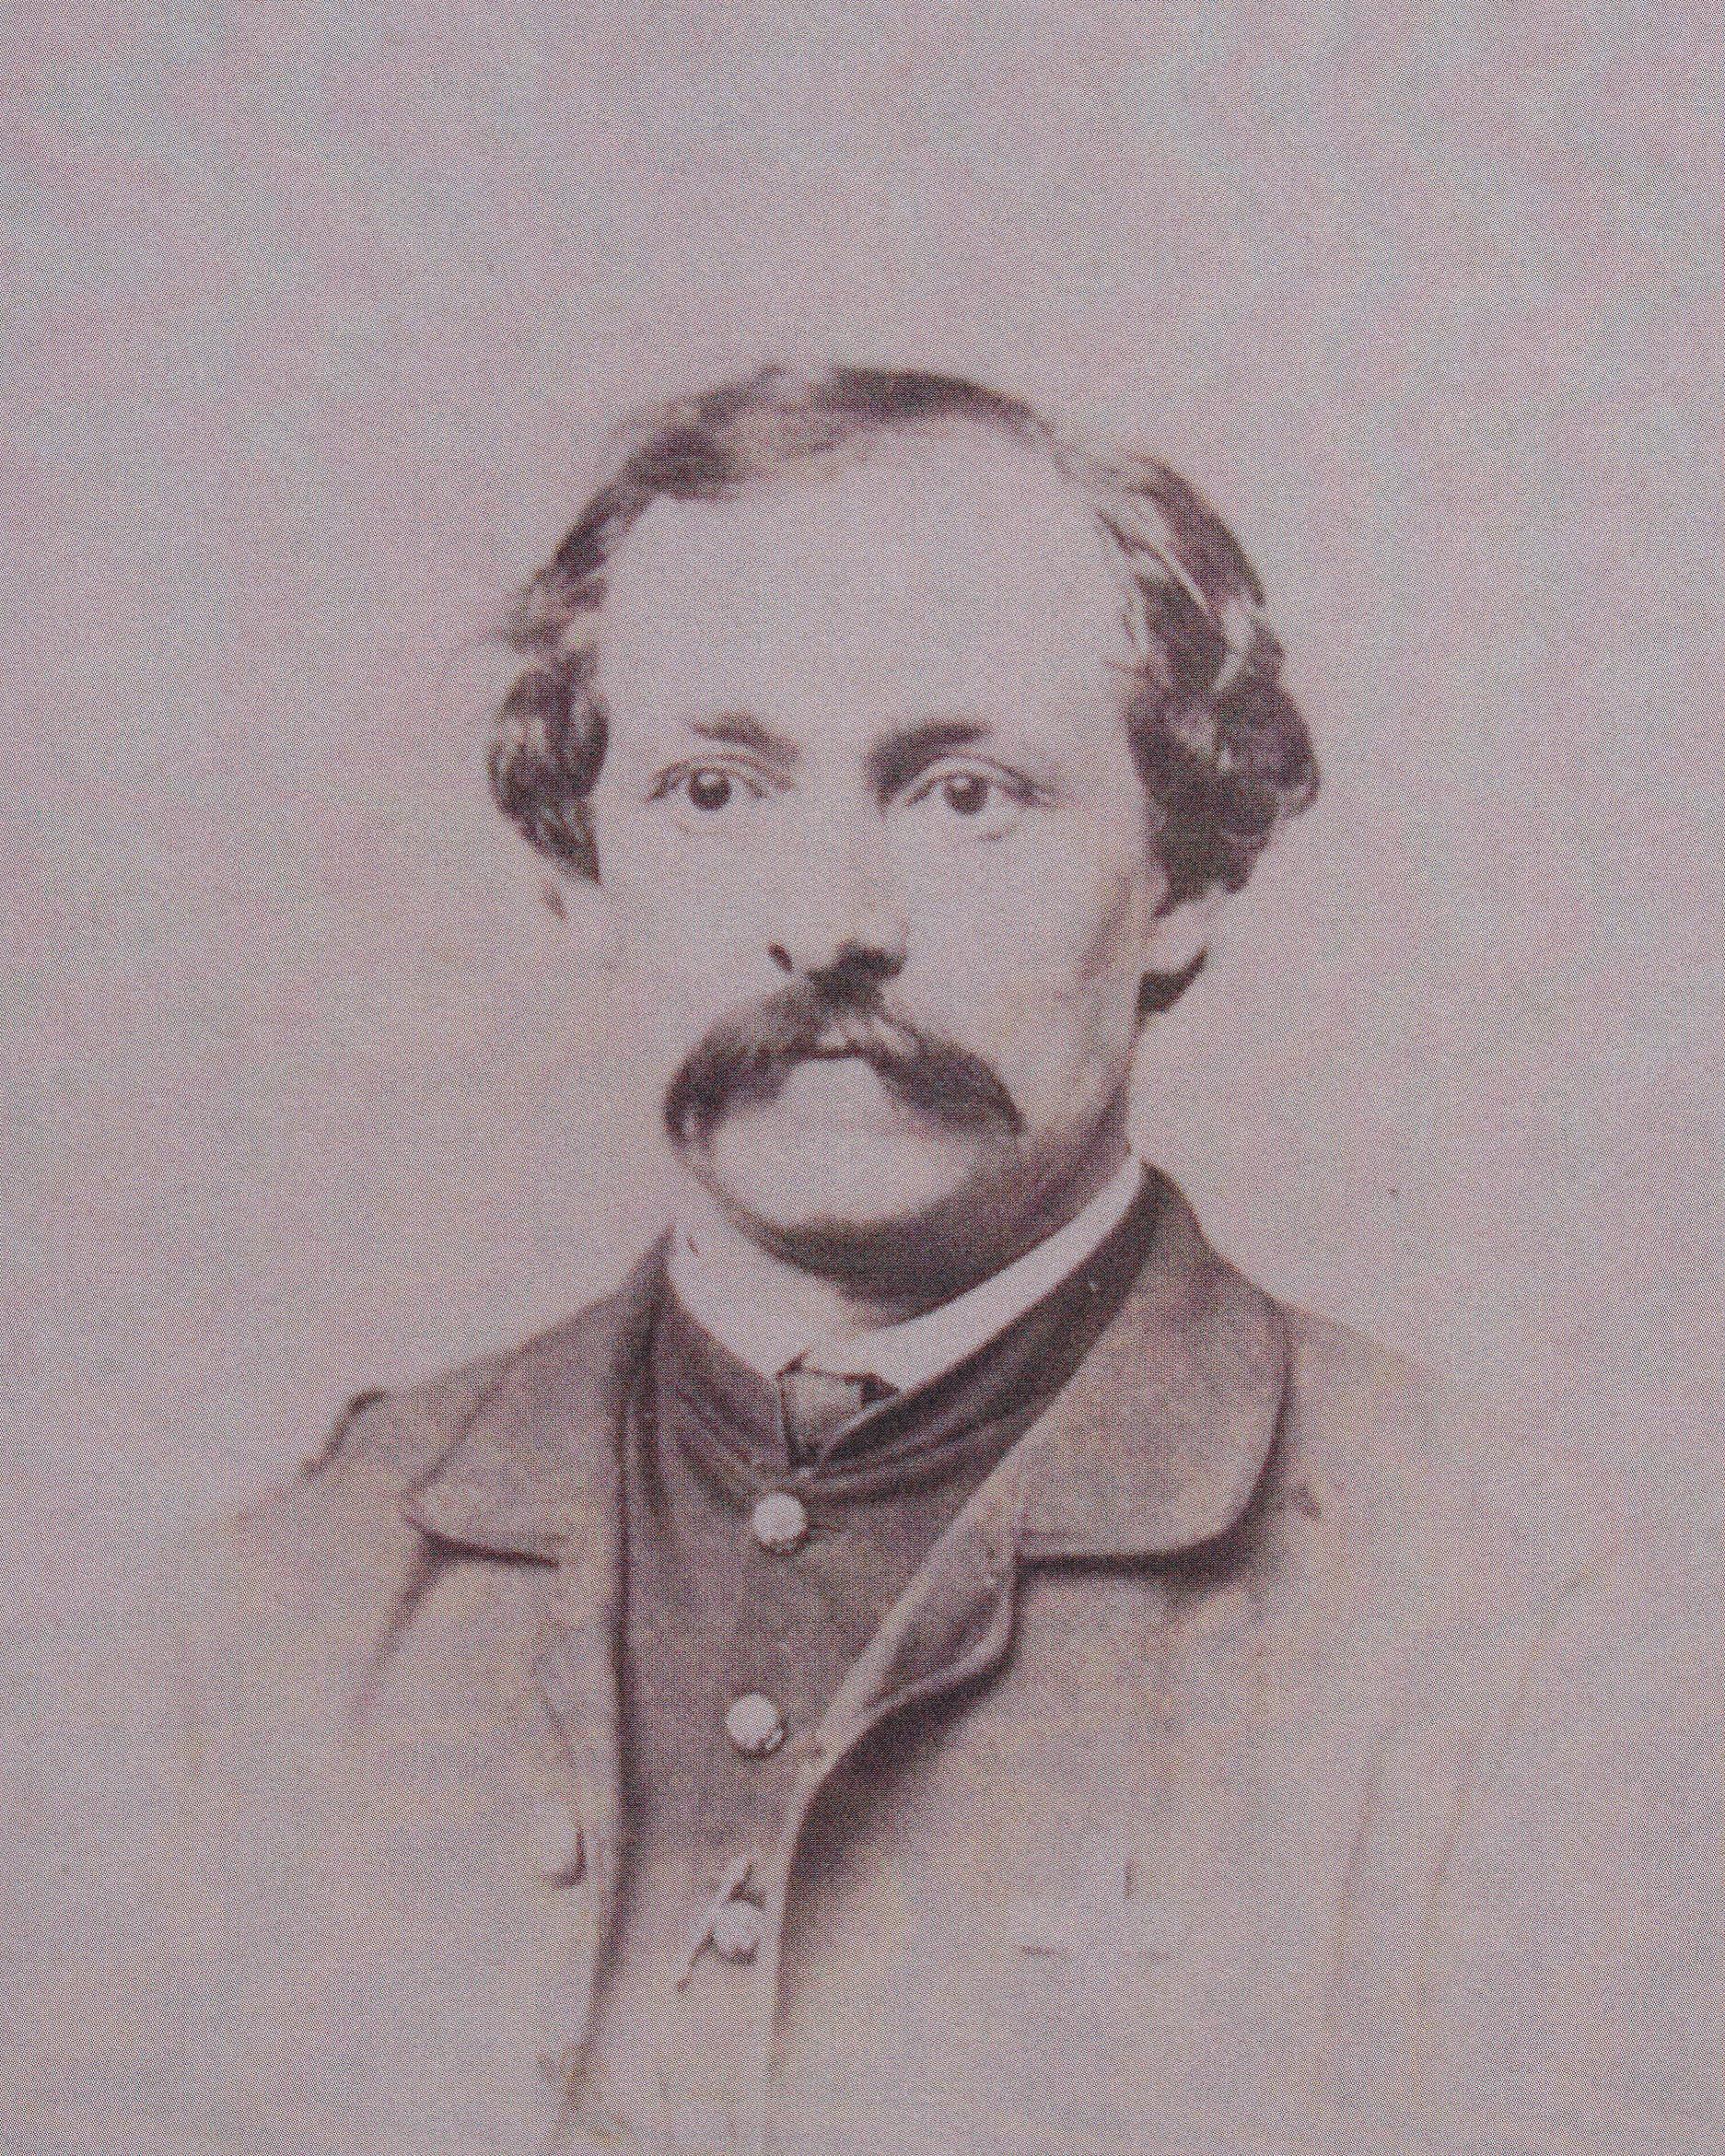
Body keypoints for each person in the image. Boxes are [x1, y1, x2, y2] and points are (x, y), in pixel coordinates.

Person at [19, 367, 1630, 2156]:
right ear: (579, 875)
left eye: (963, 795)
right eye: (717, 790)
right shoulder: (277, 1610)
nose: (835, 919)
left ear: (1186, 881)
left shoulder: (1518, 1632)